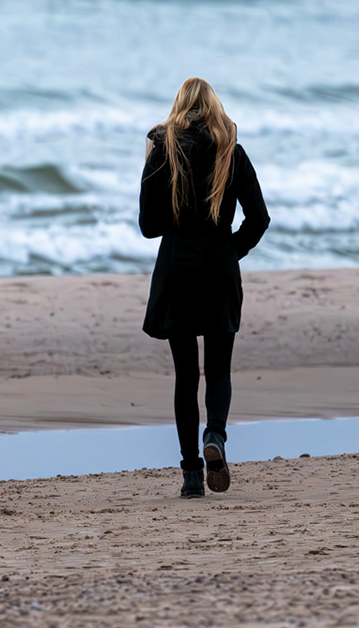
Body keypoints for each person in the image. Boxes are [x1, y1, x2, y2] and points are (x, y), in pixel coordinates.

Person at [139, 77, 270, 498]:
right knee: (218, 368)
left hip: (177, 266)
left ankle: (192, 475)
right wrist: (233, 250)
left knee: (184, 375)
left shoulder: (164, 151)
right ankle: (215, 435)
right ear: (215, 108)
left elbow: (148, 226)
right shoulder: (232, 152)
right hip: (219, 266)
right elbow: (259, 218)